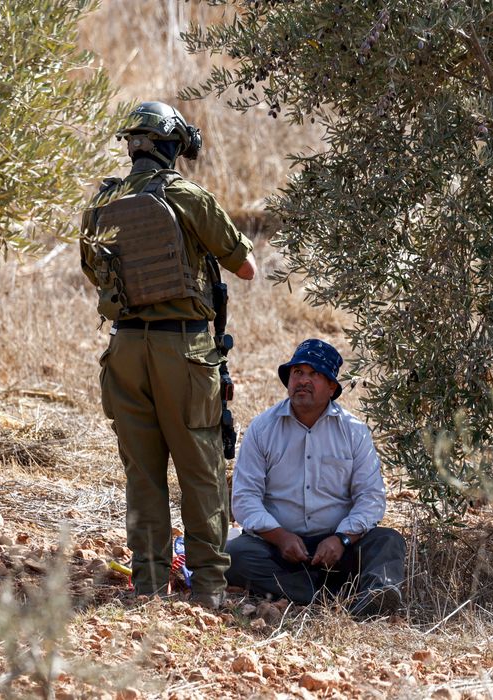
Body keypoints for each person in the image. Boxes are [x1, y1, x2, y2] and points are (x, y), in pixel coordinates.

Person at [80, 101, 257, 609]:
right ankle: (209, 589)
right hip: (183, 350)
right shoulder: (184, 194)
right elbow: (244, 267)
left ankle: (151, 585)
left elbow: (96, 275)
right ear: (173, 145)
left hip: (125, 349)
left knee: (144, 473)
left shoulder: (100, 204)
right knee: (200, 468)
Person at [227, 339, 406, 617]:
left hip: (339, 548)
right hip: (278, 549)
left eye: (315, 374)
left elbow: (370, 499)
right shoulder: (262, 428)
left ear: (332, 387)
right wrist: (280, 537)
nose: (303, 381)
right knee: (234, 555)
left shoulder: (354, 431)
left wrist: (341, 539)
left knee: (388, 541)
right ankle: (330, 595)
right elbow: (245, 498)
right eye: (298, 372)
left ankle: (373, 596)